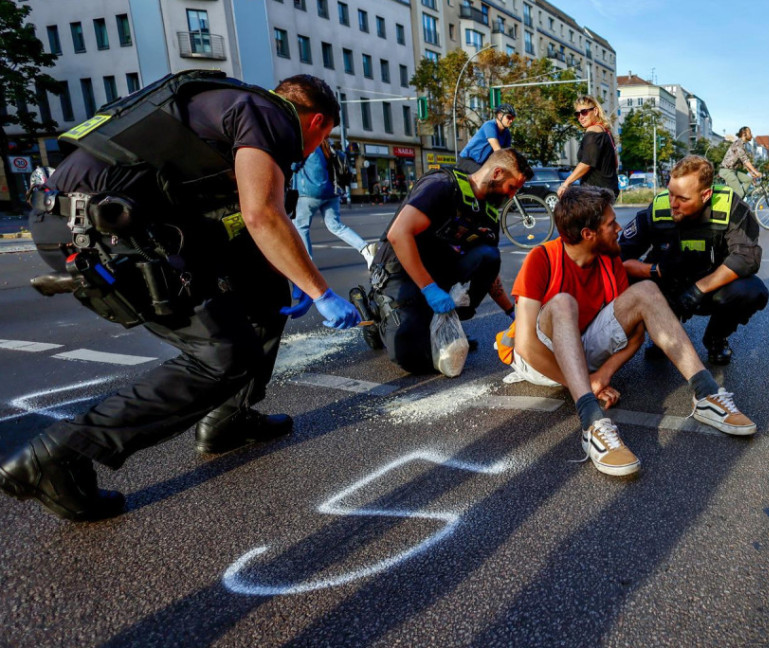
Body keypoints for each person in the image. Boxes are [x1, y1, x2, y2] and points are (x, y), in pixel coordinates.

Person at [3, 72, 361, 522]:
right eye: (322, 141)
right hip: (94, 231)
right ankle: (57, 455)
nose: (311, 153)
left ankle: (229, 417)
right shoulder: (270, 116)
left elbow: (231, 220)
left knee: (266, 290)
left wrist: (284, 275)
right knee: (222, 356)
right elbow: (261, 213)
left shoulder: (229, 108)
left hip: (114, 220)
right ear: (318, 123)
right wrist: (321, 291)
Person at [499, 185, 757, 477]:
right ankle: (592, 423)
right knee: (562, 304)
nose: (619, 228)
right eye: (611, 224)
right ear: (588, 234)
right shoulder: (542, 258)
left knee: (646, 291)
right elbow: (525, 345)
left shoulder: (610, 261)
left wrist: (602, 375)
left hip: (581, 354)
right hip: (539, 360)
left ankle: (706, 394)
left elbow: (635, 335)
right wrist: (581, 385)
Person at [359, 148, 533, 373]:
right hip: (401, 270)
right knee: (412, 359)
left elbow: (489, 270)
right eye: (513, 187)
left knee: (489, 256)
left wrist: (511, 312)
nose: (512, 196)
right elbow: (398, 234)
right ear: (497, 173)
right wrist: (430, 289)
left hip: (436, 272)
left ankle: (441, 325)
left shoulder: (488, 214)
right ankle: (375, 313)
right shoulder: (442, 185)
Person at [619, 155, 769, 365]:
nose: (673, 203)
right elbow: (620, 255)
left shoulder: (729, 207)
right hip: (666, 284)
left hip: (711, 290)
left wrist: (699, 289)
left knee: (751, 290)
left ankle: (716, 338)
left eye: (683, 198)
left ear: (706, 194)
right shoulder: (659, 207)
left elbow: (746, 257)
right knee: (622, 281)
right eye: (671, 193)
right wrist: (654, 271)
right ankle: (661, 333)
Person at [293, 140, 376, 268]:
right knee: (335, 225)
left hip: (310, 193)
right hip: (332, 193)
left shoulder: (308, 145)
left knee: (301, 227)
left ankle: (308, 266)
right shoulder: (329, 147)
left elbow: (293, 166)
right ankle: (366, 250)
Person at [557, 96, 619, 199]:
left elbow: (586, 163)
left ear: (595, 111)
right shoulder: (606, 132)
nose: (580, 117)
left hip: (595, 192)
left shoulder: (593, 131)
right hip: (609, 190)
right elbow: (615, 163)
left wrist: (566, 184)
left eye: (584, 112)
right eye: (577, 114)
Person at [457, 104, 517, 173]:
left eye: (513, 118)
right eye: (509, 117)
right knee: (486, 176)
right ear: (500, 115)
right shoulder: (490, 125)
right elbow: (498, 151)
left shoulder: (507, 133)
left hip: (481, 164)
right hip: (467, 160)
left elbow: (507, 154)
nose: (511, 121)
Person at [718, 126, 761, 198]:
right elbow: (745, 160)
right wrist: (755, 172)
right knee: (739, 194)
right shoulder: (739, 144)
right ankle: (736, 202)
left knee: (748, 179)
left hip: (732, 171)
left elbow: (743, 162)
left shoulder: (742, 145)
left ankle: (739, 200)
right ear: (744, 134)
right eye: (749, 133)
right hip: (726, 171)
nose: (751, 135)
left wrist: (751, 172)